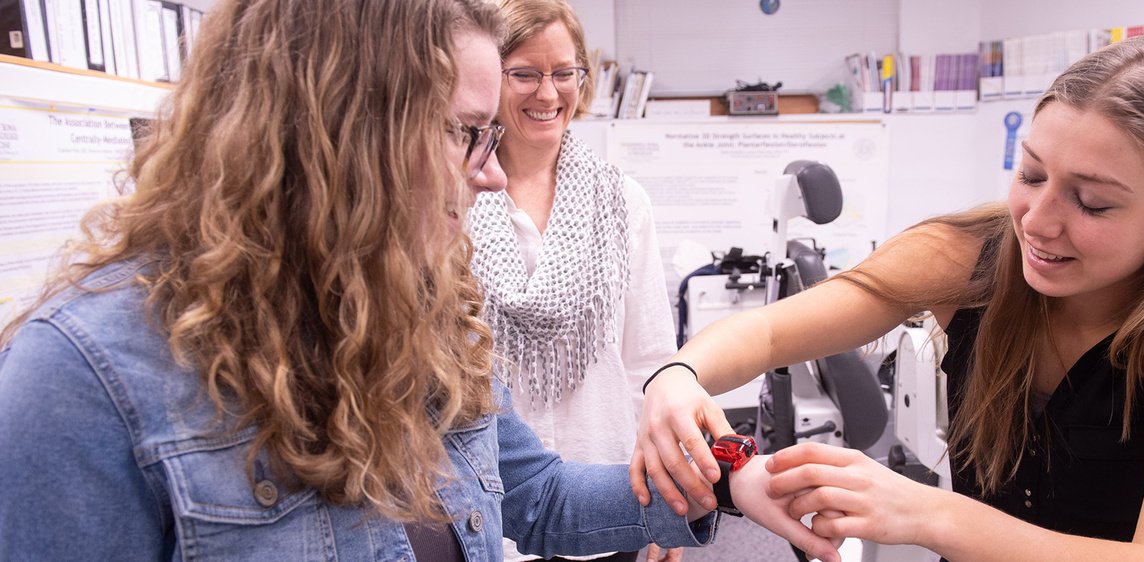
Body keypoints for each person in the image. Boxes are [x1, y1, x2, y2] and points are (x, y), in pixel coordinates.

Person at [0, 0, 843, 560]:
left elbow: (536, 495)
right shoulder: (83, 380)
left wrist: (729, 483)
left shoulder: (422, 312)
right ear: (340, 127)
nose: (488, 173)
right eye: (468, 133)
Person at [631, 36, 1144, 562]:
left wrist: (929, 514)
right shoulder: (970, 257)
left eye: (1092, 202)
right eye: (1031, 173)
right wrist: (679, 375)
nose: (1037, 221)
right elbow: (771, 335)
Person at [463, 1, 680, 561]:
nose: (548, 93)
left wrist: (665, 507)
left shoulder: (621, 202)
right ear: (491, 78)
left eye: (564, 73)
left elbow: (650, 364)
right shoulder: (454, 198)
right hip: (487, 506)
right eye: (526, 74)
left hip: (606, 492)